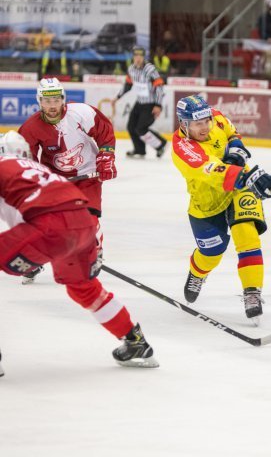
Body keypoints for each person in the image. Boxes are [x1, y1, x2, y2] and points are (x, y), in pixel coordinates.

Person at [0, 131, 158, 370]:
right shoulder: (40, 169)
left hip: (48, 225)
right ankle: (135, 342)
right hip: (84, 224)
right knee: (83, 288)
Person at [171, 95, 271, 322]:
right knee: (212, 252)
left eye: (206, 121)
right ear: (184, 124)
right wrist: (249, 176)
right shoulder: (182, 148)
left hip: (240, 188)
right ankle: (197, 273)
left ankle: (252, 292)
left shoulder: (216, 117)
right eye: (198, 124)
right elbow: (212, 171)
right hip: (208, 200)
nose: (205, 127)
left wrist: (237, 150)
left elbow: (232, 133)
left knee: (246, 234)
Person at [18, 77, 117, 283]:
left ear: (63, 99)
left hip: (88, 175)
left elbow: (104, 132)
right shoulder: (31, 128)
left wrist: (106, 157)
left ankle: (94, 252)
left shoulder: (81, 112)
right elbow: (25, 159)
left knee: (87, 219)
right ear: (39, 101)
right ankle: (35, 258)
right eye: (47, 101)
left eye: (56, 100)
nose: (52, 106)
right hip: (57, 181)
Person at [113, 46, 167, 159]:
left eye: (140, 56)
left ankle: (161, 145)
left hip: (150, 104)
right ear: (133, 57)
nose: (138, 58)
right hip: (139, 103)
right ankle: (140, 150)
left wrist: (158, 105)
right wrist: (117, 97)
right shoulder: (131, 69)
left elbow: (159, 87)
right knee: (131, 127)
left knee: (141, 128)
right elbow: (128, 85)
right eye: (136, 56)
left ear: (143, 57)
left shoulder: (150, 69)